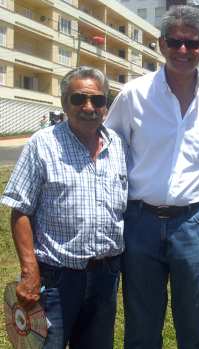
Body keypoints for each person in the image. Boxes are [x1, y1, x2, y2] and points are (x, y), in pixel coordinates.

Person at [105, 5, 199, 349]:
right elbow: (109, 147)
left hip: (194, 223)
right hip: (140, 221)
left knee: (194, 323)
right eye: (175, 42)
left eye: (192, 44)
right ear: (161, 44)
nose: (183, 51)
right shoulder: (134, 94)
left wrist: (198, 178)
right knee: (142, 325)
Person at [1, 66, 128, 349]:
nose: (88, 107)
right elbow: (20, 210)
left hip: (105, 277)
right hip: (57, 278)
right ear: (64, 103)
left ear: (106, 105)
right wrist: (29, 272)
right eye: (78, 99)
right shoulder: (43, 144)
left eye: (97, 100)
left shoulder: (117, 145)